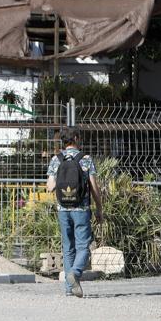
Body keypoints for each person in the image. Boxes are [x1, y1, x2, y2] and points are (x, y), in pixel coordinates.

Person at [46, 127, 104, 298]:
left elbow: (50, 187)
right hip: (81, 209)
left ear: (63, 141)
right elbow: (94, 187)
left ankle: (69, 289)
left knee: (68, 247)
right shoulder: (85, 159)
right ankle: (75, 273)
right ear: (77, 138)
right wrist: (99, 208)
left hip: (63, 209)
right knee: (83, 245)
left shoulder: (56, 159)